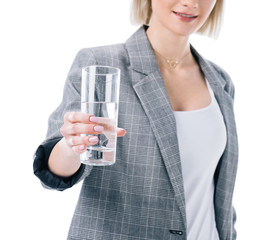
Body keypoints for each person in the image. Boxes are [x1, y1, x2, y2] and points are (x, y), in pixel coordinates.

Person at [33, 0, 238, 239]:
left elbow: (217, 193)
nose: (190, 2)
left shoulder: (220, 81)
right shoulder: (100, 64)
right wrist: (71, 145)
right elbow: (53, 171)